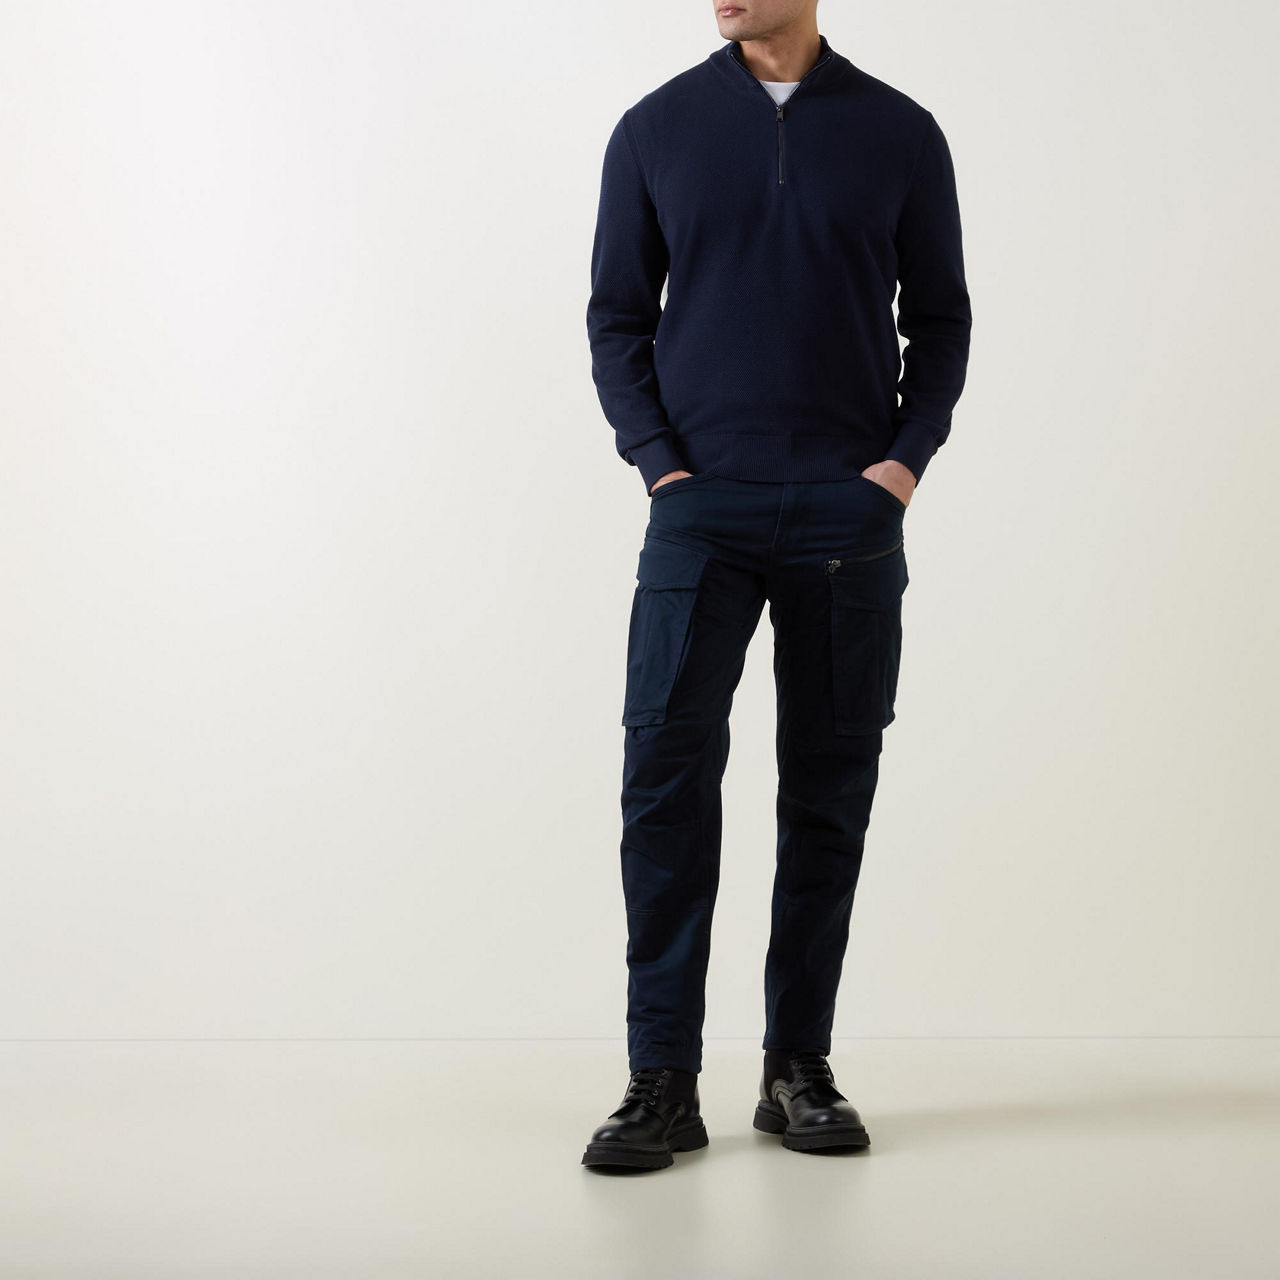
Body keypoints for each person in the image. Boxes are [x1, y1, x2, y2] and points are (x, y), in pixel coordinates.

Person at [581, 0, 971, 1171]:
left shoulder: (898, 132)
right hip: (700, 512)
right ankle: (660, 1078)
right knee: (662, 781)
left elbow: (939, 319)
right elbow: (615, 319)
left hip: (848, 517)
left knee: (827, 790)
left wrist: (898, 466)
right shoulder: (654, 130)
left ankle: (795, 1065)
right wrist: (660, 466)